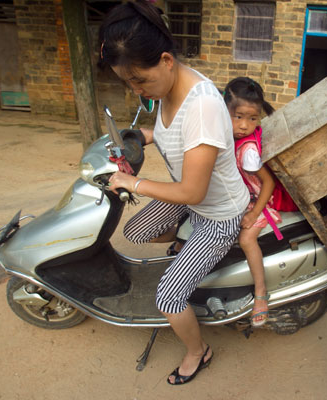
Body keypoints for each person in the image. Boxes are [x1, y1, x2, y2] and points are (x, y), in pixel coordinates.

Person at [99, 1, 249, 385]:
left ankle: (199, 351)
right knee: (135, 232)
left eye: (139, 80)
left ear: (166, 60)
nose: (135, 89)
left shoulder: (201, 107)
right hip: (191, 200)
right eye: (127, 82)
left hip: (217, 213)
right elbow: (177, 137)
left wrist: (132, 183)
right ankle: (186, 244)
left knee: (168, 298)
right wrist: (142, 138)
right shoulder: (169, 87)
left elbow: (193, 190)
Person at [223, 77, 278, 327]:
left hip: (259, 201)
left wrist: (254, 214)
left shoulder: (248, 152)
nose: (245, 125)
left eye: (252, 118)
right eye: (238, 116)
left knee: (246, 238)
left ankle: (260, 293)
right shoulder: (225, 137)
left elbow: (268, 184)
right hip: (240, 196)